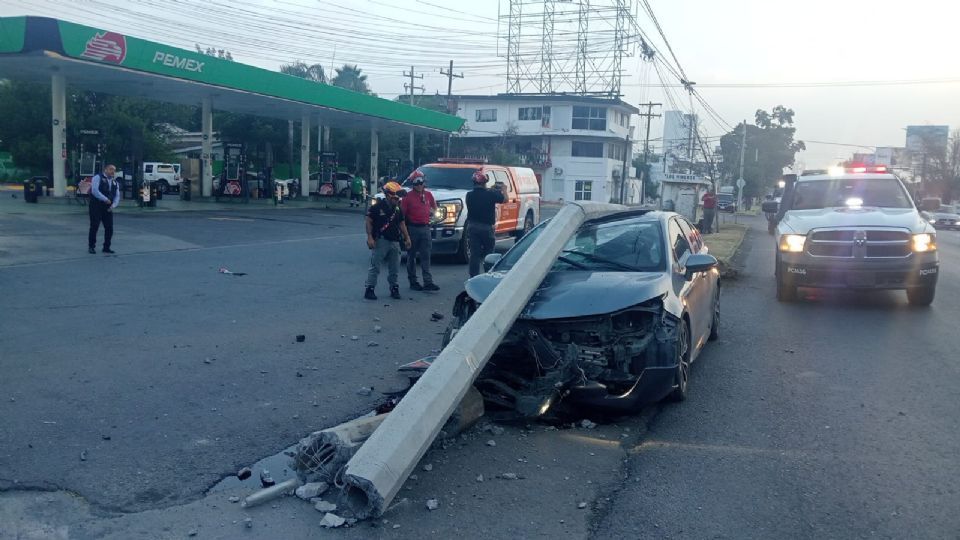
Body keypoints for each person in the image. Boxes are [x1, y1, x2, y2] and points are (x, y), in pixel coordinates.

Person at [364, 181, 411, 300]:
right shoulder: (377, 207)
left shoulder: (397, 209)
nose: (397, 200)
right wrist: (370, 237)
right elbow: (369, 221)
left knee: (394, 267)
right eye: (395, 197)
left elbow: (402, 223)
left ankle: (394, 288)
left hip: (395, 241)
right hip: (381, 241)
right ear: (388, 195)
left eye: (398, 198)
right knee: (375, 266)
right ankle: (370, 288)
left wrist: (407, 237)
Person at [400, 171, 439, 291]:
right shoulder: (407, 197)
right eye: (417, 182)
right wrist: (405, 234)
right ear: (413, 183)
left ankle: (428, 282)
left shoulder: (428, 195)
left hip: (425, 228)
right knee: (411, 256)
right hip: (412, 228)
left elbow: (434, 208)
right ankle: (413, 281)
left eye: (421, 182)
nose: (419, 185)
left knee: (426, 255)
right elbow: (402, 216)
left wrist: (432, 216)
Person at [465, 170, 506, 277]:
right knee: (489, 254)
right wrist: (503, 189)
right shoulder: (491, 194)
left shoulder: (469, 195)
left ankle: (473, 276)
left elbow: (482, 195)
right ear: (484, 182)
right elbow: (505, 199)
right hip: (486, 227)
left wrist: (491, 190)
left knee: (474, 254)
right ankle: (488, 274)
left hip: (472, 226)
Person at [88, 164, 120, 254]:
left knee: (109, 228)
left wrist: (113, 206)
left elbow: (117, 196)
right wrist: (105, 199)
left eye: (114, 170)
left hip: (108, 207)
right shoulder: (97, 177)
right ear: (105, 170)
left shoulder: (115, 182)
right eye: (111, 169)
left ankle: (106, 247)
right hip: (96, 206)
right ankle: (91, 246)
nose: (113, 171)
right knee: (94, 226)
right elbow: (94, 191)